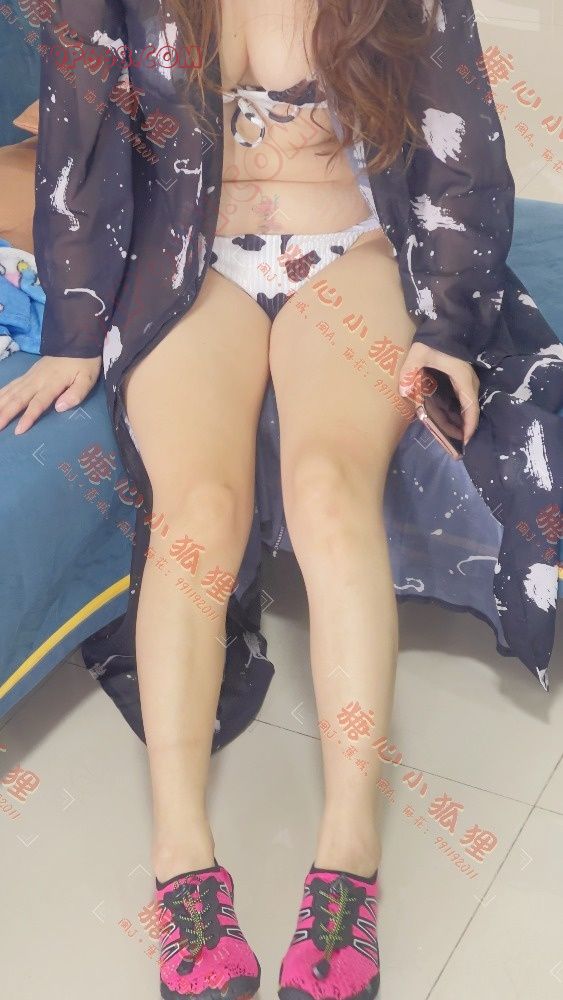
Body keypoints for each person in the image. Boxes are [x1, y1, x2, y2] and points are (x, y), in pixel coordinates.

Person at [1, 1, 561, 998]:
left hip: (355, 250)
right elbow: (78, 128)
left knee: (327, 491)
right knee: (195, 515)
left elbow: (460, 145)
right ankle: (182, 861)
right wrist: (74, 332)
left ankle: (346, 857)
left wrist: (446, 324)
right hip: (189, 263)